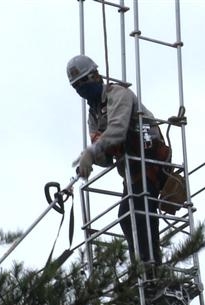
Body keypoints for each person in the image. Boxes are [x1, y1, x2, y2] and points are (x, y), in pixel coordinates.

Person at [67, 54, 170, 273]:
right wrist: (93, 158)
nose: (81, 90)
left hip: (149, 160)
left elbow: (117, 130)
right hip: (131, 170)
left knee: (138, 207)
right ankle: (143, 268)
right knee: (126, 215)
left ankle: (150, 267)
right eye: (76, 87)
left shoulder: (119, 95)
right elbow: (105, 157)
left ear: (96, 76)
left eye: (84, 82)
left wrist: (91, 151)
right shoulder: (93, 113)